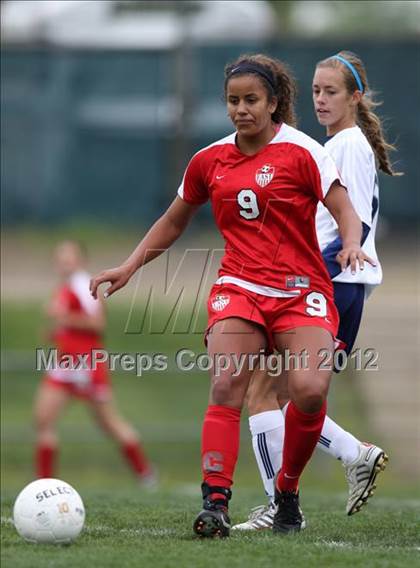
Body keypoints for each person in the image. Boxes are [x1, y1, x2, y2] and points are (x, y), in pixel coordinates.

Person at [90, 53, 375, 537]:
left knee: (309, 391)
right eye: (232, 100)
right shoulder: (210, 159)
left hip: (301, 289)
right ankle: (215, 502)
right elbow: (173, 220)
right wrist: (130, 265)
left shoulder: (304, 152)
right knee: (227, 386)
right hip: (239, 288)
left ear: (274, 103)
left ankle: (286, 495)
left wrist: (350, 243)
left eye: (251, 100)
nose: (241, 109)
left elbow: (344, 206)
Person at [232, 50, 399, 532]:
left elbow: (357, 227)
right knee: (278, 393)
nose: (321, 100)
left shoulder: (348, 145)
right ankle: (343, 462)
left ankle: (283, 506)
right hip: (321, 286)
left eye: (331, 92)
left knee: (270, 392)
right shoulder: (336, 143)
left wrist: (300, 278)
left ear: (355, 97)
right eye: (316, 92)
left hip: (331, 286)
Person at [34, 240, 156, 487]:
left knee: (109, 421)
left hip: (86, 363)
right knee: (43, 418)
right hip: (65, 363)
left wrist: (63, 318)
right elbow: (71, 324)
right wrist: (57, 332)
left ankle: (146, 475)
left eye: (69, 257)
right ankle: (43, 484)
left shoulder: (81, 284)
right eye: (60, 257)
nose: (64, 262)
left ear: (81, 260)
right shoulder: (67, 286)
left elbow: (97, 323)